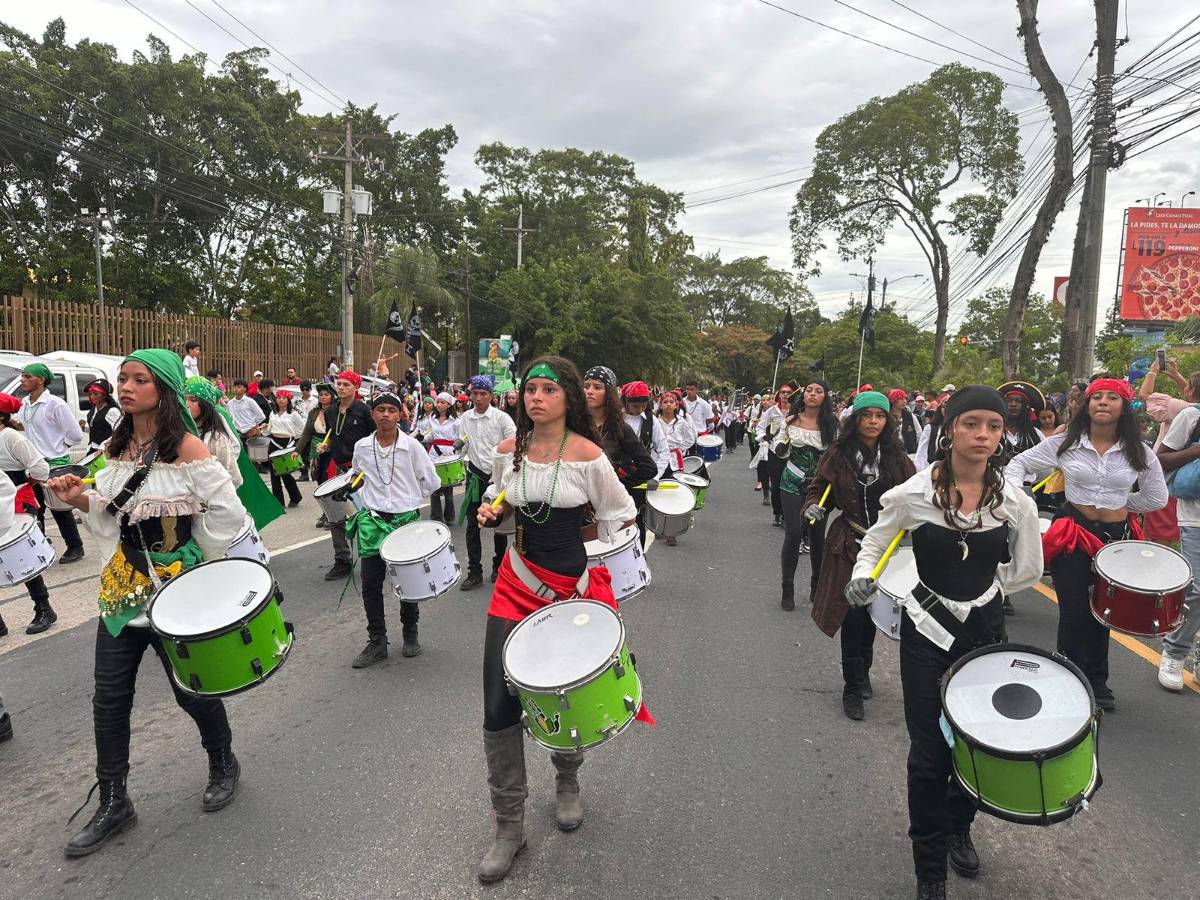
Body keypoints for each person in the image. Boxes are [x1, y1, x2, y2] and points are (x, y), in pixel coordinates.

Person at [46, 350, 246, 858]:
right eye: (123, 379)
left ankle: (223, 761)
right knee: (109, 699)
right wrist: (76, 497)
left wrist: (195, 556)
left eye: (140, 380)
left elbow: (229, 514)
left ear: (165, 389)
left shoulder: (188, 449)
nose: (127, 387)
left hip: (178, 594)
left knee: (192, 690)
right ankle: (114, 801)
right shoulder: (115, 448)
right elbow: (111, 512)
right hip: (123, 592)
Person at [847, 386, 1042, 899]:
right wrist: (864, 573)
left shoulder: (1014, 502)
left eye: (993, 426)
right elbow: (876, 540)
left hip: (985, 633)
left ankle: (959, 825)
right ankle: (929, 868)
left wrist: (986, 593)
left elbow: (1027, 569)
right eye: (971, 423)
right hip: (925, 633)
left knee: (979, 744)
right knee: (930, 755)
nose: (982, 435)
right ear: (950, 428)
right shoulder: (912, 494)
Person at [474, 357, 643, 884]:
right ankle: (509, 827)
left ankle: (567, 781)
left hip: (570, 592)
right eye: (531, 389)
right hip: (515, 584)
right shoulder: (509, 451)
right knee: (498, 704)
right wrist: (494, 512)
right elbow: (502, 502)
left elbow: (623, 516)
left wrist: (597, 561)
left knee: (564, 695)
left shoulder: (589, 456)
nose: (536, 397)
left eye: (549, 389)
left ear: (568, 397)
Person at [1007, 377, 1168, 711]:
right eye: (1097, 397)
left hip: (1115, 539)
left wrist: (1121, 504)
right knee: (1074, 609)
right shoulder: (1066, 442)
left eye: (1112, 397)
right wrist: (1019, 496)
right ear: (1087, 405)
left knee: (1104, 611)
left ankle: (1097, 682)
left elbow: (1156, 496)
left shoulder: (1139, 451)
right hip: (1073, 532)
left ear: (1124, 407)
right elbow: (1019, 463)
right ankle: (1068, 678)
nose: (1103, 402)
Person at [805, 391, 915, 719]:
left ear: (886, 420)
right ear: (856, 420)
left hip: (887, 549)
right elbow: (818, 489)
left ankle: (864, 670)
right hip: (848, 543)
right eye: (866, 416)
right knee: (852, 615)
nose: (873, 422)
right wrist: (813, 506)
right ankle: (852, 687)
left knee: (872, 615)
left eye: (879, 416)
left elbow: (915, 495)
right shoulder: (838, 454)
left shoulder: (897, 457)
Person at [344, 393, 442, 667]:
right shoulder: (362, 446)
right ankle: (377, 641)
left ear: (400, 415)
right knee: (370, 583)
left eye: (391, 410)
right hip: (372, 522)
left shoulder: (412, 447)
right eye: (380, 410)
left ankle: (410, 634)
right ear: (372, 414)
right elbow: (357, 475)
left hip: (405, 521)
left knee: (408, 582)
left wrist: (409, 497)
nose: (385, 414)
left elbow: (432, 483)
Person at [778, 380, 838, 610]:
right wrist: (780, 447)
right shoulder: (790, 421)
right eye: (809, 391)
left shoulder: (832, 425)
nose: (812, 394)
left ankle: (816, 586)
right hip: (791, 481)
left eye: (818, 391)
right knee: (793, 533)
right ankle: (787, 588)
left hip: (820, 487)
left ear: (825, 397)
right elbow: (779, 448)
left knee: (817, 537)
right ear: (803, 396)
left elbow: (838, 456)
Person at [17, 362, 86, 564]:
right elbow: (26, 425)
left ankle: (75, 547)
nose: (22, 380)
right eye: (23, 376)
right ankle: (42, 547)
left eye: (28, 376)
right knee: (35, 508)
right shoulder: (25, 403)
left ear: (40, 380)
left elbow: (75, 434)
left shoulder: (55, 404)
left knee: (60, 509)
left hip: (55, 463)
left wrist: (59, 447)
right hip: (33, 464)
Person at [0, 394, 57, 635]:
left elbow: (40, 468)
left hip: (16, 502)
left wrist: (27, 483)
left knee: (24, 557)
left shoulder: (11, 437)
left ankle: (44, 608)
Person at [1153, 403, 1200, 689]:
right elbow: (1161, 460)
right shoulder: (1193, 416)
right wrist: (1197, 451)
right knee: (1197, 589)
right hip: (1196, 518)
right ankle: (1174, 652)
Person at [458, 375, 517, 590]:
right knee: (472, 525)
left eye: (483, 394)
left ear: (491, 396)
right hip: (475, 476)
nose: (478, 398)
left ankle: (498, 566)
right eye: (475, 393)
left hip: (497, 478)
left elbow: (513, 444)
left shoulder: (502, 418)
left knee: (498, 524)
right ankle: (474, 571)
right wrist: (457, 449)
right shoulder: (465, 418)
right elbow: (464, 444)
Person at [317, 371, 375, 580]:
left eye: (346, 384)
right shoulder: (331, 411)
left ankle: (373, 558)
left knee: (367, 515)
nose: (340, 387)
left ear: (356, 388)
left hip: (361, 471)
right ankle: (342, 560)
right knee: (336, 516)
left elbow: (375, 437)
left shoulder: (365, 411)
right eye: (339, 384)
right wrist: (327, 446)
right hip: (338, 469)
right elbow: (333, 435)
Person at [583, 367, 656, 521]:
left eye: (597, 387)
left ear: (609, 392)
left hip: (606, 509)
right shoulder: (575, 425)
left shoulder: (620, 428)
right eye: (586, 386)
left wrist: (619, 485)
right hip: (577, 506)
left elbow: (649, 467)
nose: (589, 391)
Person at [621, 380, 670, 546]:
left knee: (637, 520)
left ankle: (639, 555)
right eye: (636, 406)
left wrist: (655, 476)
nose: (640, 409)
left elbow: (664, 450)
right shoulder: (614, 418)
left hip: (640, 479)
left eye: (643, 406)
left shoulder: (651, 421)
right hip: (616, 476)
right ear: (626, 402)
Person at [757, 382, 795, 527]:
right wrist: (764, 437)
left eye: (789, 392)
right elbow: (760, 427)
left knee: (790, 485)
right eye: (783, 392)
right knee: (777, 484)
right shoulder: (771, 411)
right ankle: (777, 513)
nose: (785, 395)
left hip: (793, 453)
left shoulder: (797, 411)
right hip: (774, 451)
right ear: (779, 394)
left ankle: (787, 515)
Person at [422, 392, 462, 526]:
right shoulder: (432, 418)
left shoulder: (456, 421)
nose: (438, 405)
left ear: (449, 405)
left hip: (449, 454)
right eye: (437, 402)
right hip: (433, 454)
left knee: (448, 487)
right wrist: (422, 437)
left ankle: (449, 516)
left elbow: (461, 437)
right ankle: (436, 517)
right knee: (434, 487)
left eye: (442, 402)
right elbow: (429, 436)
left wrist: (459, 445)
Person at [266, 391, 304, 508]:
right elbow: (269, 429)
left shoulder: (293, 414)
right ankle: (278, 502)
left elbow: (302, 429)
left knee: (286, 472)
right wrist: (265, 428)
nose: (281, 400)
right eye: (278, 397)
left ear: (288, 400)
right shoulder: (273, 413)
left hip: (287, 443)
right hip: (274, 442)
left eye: (284, 398)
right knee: (274, 474)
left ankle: (295, 497)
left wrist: (294, 441)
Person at [83, 379, 122, 456]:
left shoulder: (112, 411)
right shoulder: (94, 409)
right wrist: (84, 428)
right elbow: (98, 430)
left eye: (96, 394)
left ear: (105, 395)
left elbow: (119, 433)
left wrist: (103, 446)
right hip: (93, 450)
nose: (92, 396)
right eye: (90, 394)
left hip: (105, 451)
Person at [683, 381, 714, 449]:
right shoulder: (682, 402)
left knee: (698, 455)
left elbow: (711, 419)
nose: (689, 391)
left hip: (699, 436)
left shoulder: (703, 404)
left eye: (692, 389)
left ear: (697, 390)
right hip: (685, 436)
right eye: (687, 389)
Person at [889, 389, 920, 456]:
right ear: (893, 400)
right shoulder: (887, 417)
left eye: (905, 399)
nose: (905, 401)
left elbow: (919, 433)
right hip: (892, 454)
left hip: (911, 454)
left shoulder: (910, 416)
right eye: (901, 399)